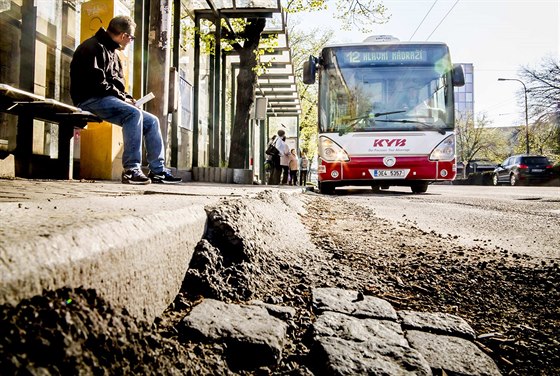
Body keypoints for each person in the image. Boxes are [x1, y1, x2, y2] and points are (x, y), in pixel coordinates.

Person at [70, 15, 181, 185]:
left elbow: (116, 86)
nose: (130, 41)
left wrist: (128, 98)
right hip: (89, 99)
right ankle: (131, 169)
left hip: (105, 98)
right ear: (124, 36)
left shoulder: (112, 52)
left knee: (152, 121)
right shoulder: (92, 47)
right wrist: (123, 99)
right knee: (133, 114)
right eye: (131, 38)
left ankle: (158, 171)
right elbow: (97, 84)